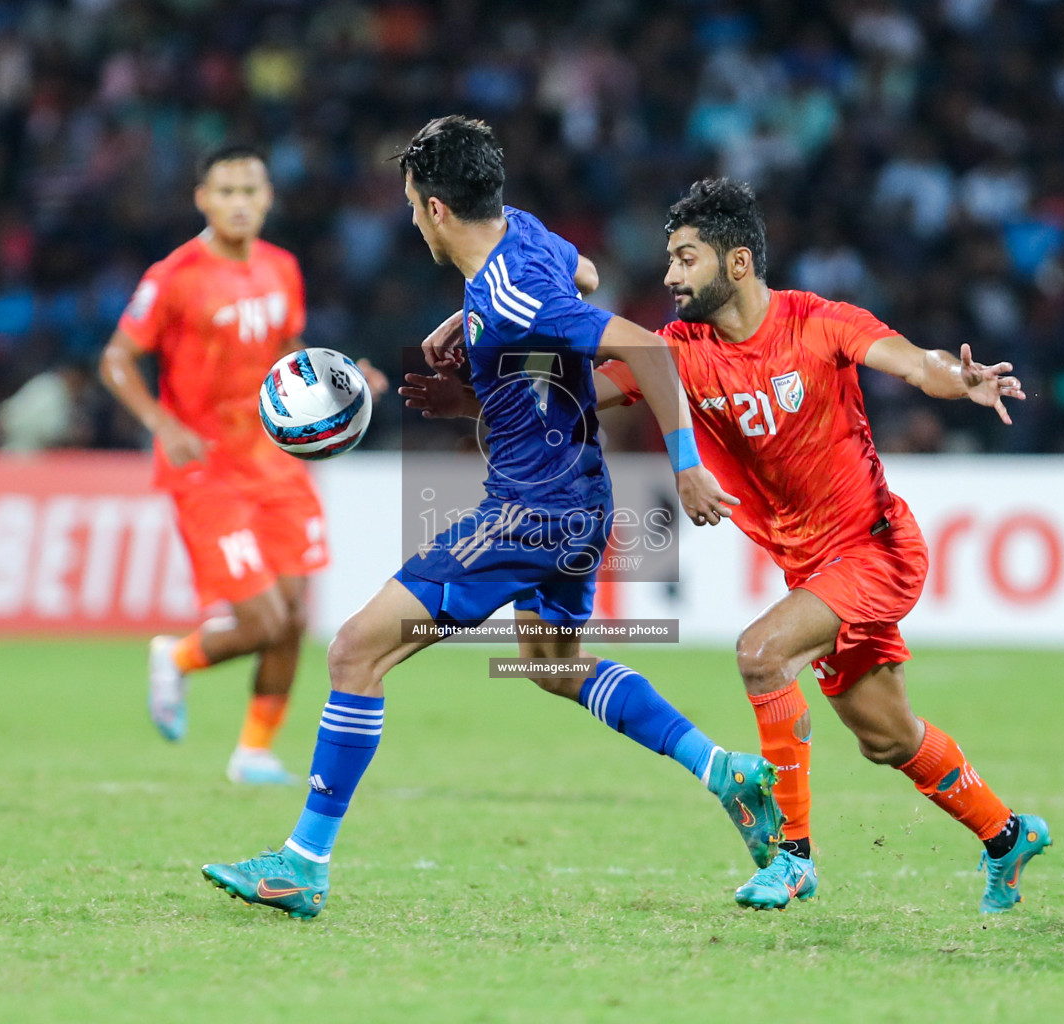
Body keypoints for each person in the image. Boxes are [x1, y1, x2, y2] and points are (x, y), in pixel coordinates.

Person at [405, 178, 1049, 915]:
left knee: (761, 653)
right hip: (812, 568)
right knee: (888, 737)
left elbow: (910, 360)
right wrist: (479, 395)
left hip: (874, 549)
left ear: (737, 263)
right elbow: (580, 391)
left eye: (686, 259)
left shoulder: (818, 323)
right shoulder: (680, 350)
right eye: (670, 259)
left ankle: (792, 858)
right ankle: (1007, 834)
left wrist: (956, 377)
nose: (671, 277)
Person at [200, 116, 782, 919]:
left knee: (353, 652)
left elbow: (649, 350)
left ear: (437, 209)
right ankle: (724, 771)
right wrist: (467, 359)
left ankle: (303, 862)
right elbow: (578, 277)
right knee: (551, 663)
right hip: (577, 493)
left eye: (412, 206)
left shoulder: (511, 292)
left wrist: (685, 467)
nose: (409, 220)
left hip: (531, 510)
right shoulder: (527, 236)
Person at [101, 144, 384, 785]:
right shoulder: (174, 275)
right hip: (205, 465)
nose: (238, 203)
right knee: (261, 620)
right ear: (202, 198)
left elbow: (288, 348)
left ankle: (253, 751)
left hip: (275, 459)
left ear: (267, 199)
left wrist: (341, 381)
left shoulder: (282, 268)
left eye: (249, 191)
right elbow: (116, 359)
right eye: (225, 191)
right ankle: (176, 657)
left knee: (296, 616)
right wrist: (161, 423)